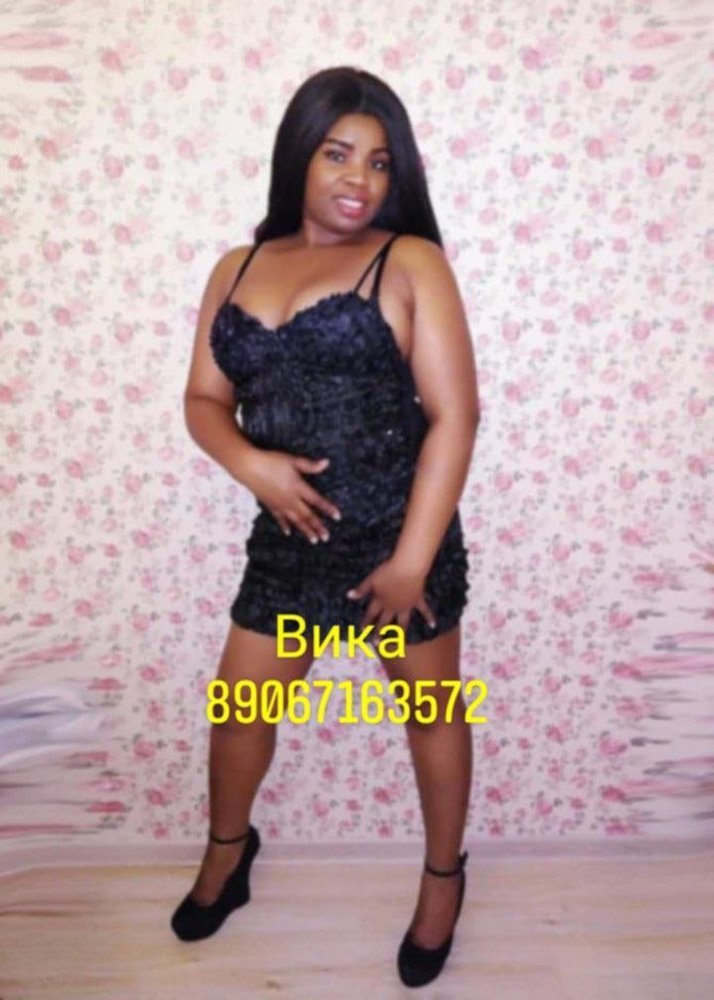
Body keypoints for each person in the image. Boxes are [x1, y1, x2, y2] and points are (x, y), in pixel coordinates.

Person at [171, 65, 480, 989]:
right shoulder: (237, 266)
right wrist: (253, 464)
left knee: (430, 714)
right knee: (238, 713)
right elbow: (202, 400)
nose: (359, 178)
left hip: (400, 536)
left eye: (380, 162)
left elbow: (455, 417)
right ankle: (229, 853)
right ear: (299, 154)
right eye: (339, 153)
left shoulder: (411, 260)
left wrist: (412, 560)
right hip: (289, 542)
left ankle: (443, 879)